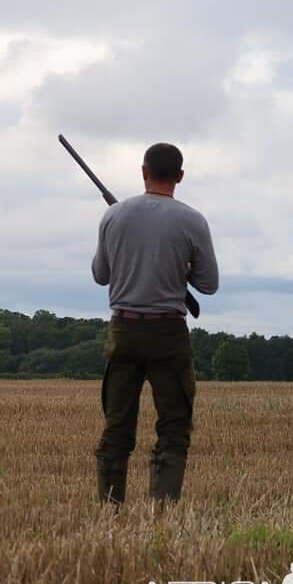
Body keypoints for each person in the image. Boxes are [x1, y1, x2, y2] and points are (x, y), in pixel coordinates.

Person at [91, 143, 219, 505]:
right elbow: (209, 284)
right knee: (174, 427)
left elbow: (100, 275)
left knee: (116, 427)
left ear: (143, 171)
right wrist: (178, 267)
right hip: (168, 334)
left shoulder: (114, 216)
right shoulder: (192, 220)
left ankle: (109, 512)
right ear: (180, 176)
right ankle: (162, 514)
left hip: (124, 332)